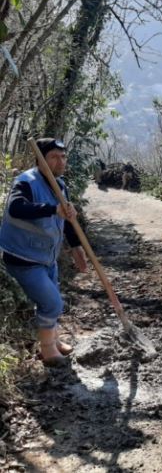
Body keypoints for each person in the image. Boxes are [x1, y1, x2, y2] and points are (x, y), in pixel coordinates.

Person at [0, 138, 87, 366]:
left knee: (49, 301)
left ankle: (54, 340)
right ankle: (48, 351)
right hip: (22, 257)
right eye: (54, 157)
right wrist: (52, 209)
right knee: (53, 303)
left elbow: (67, 219)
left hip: (47, 257)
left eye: (63, 156)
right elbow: (16, 208)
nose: (61, 161)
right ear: (41, 160)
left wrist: (76, 247)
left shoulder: (60, 185)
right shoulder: (26, 182)